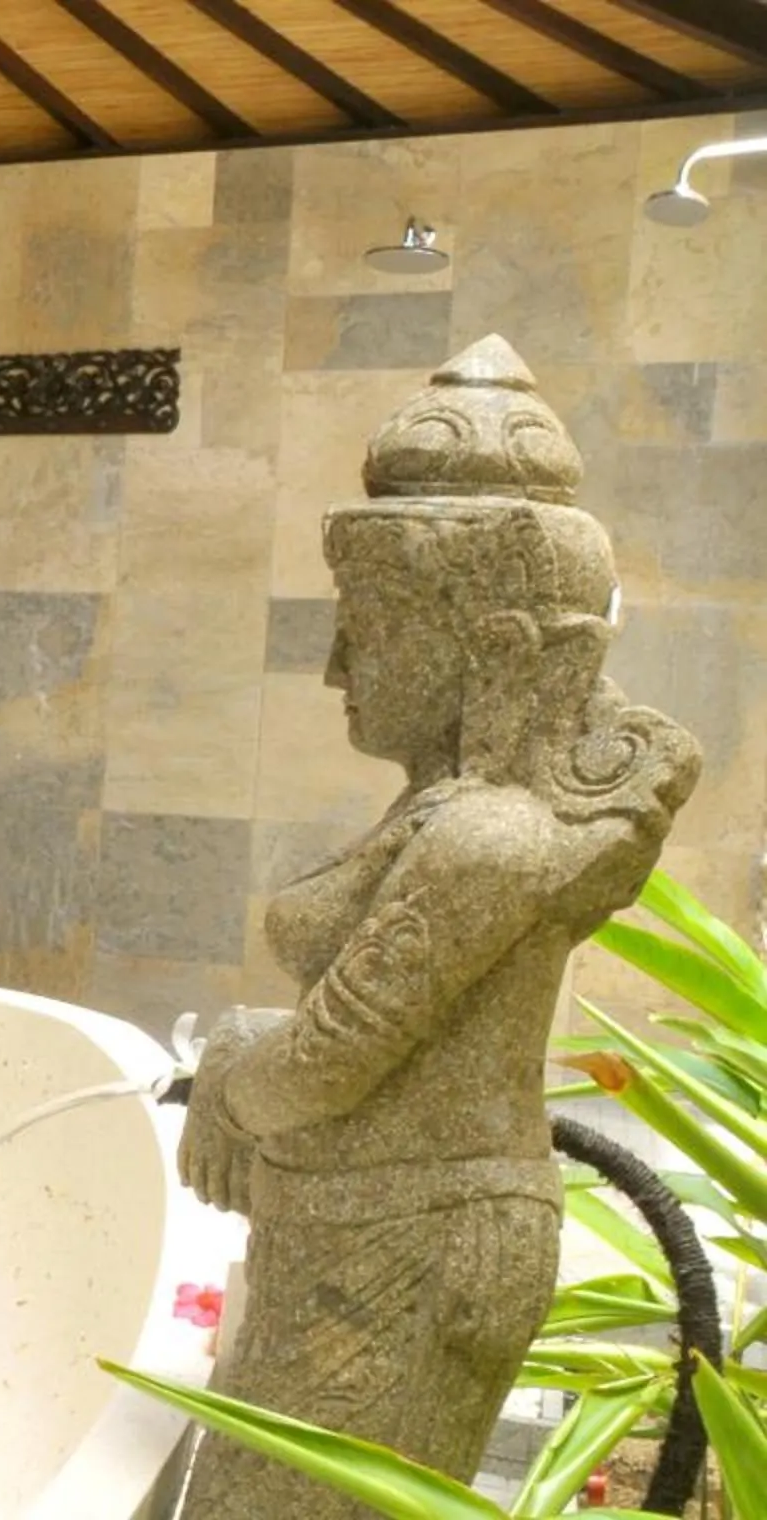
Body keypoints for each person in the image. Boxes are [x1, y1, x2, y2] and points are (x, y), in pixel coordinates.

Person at [176, 337, 700, 1518]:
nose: (335, 664)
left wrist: (227, 1071)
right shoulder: (449, 815)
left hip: (412, 1243)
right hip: (372, 1228)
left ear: (495, 647)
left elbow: (323, 1068)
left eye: (367, 624)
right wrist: (244, 1059)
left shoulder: (486, 841)